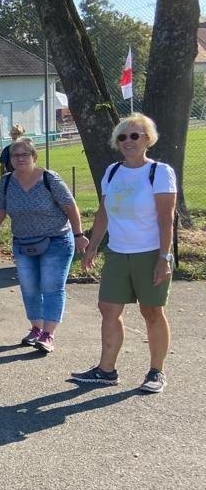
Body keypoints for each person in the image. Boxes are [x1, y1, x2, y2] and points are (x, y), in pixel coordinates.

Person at [71, 114, 177, 393]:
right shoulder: (112, 172)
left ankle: (156, 372)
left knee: (151, 311)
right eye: (122, 137)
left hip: (150, 252)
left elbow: (166, 219)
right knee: (108, 308)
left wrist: (164, 258)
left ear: (148, 139)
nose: (128, 141)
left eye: (134, 135)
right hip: (117, 252)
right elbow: (104, 213)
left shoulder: (159, 172)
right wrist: (93, 246)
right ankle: (106, 370)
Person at [0, 137, 88, 353]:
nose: (20, 159)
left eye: (25, 155)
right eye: (15, 155)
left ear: (34, 157)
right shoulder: (6, 182)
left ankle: (48, 334)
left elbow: (70, 206)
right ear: (10, 159)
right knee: (29, 287)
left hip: (56, 240)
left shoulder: (49, 179)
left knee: (51, 286)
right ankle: (36, 328)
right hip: (23, 242)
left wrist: (78, 235)